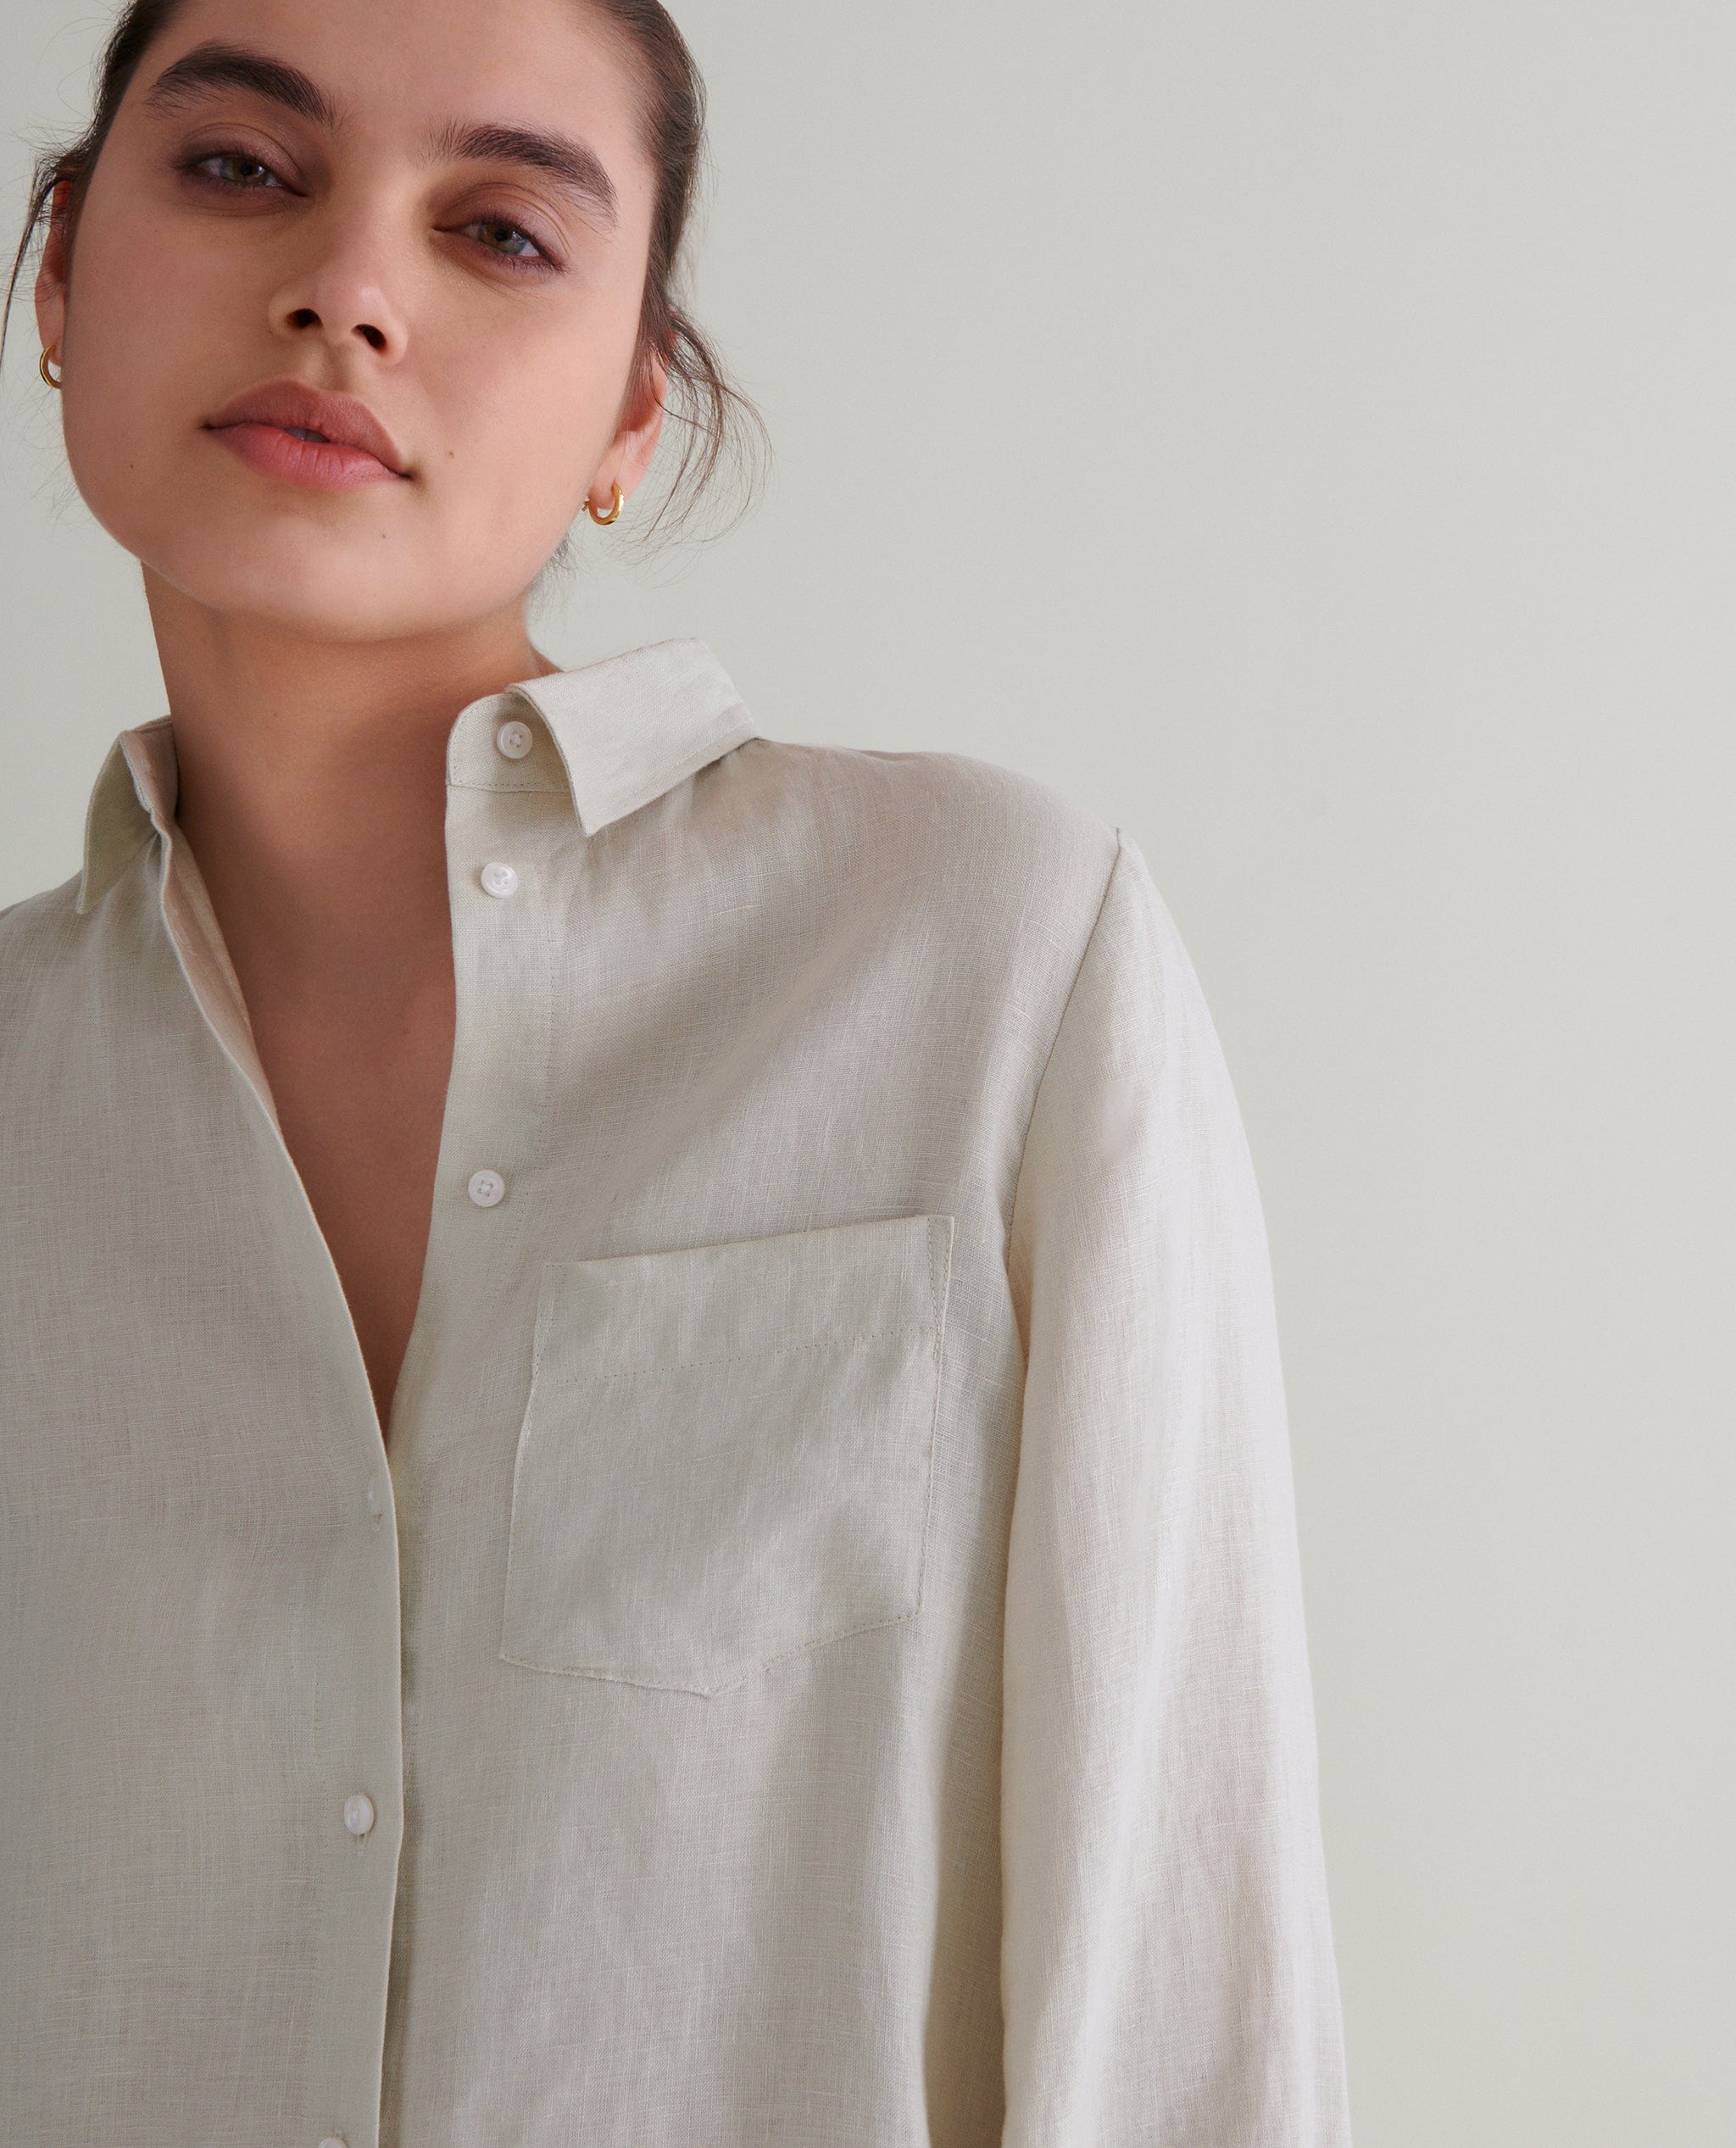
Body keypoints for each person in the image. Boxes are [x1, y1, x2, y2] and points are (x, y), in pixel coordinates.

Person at [0, 1, 1355, 2142]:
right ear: (60, 275)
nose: (347, 284)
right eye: (242, 167)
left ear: (636, 408)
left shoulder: (984, 958)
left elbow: (1178, 1982)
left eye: (504, 230)